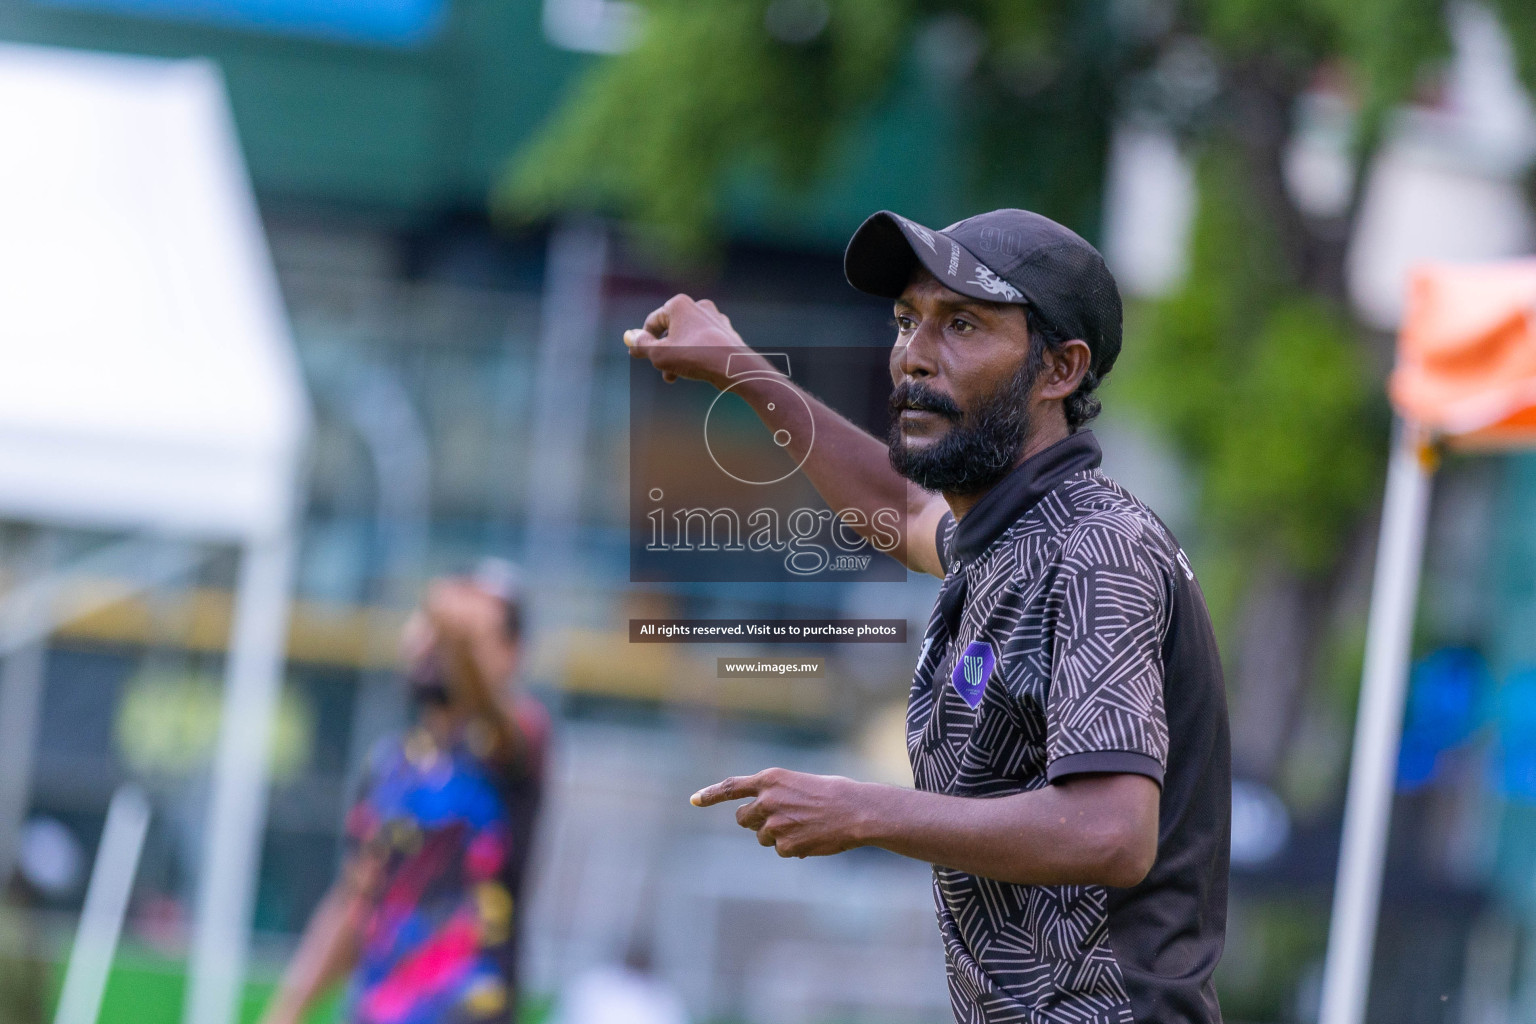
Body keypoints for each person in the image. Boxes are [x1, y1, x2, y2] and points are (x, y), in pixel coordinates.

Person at [624, 209, 1230, 1024]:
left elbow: (1112, 832)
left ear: (1059, 369)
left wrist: (861, 809)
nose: (914, 353)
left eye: (963, 324)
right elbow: (898, 507)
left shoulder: (1098, 552)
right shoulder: (1009, 539)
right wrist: (742, 369)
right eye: (908, 320)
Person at [260, 560, 549, 1024]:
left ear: (512, 654)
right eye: (435, 627)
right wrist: (286, 1012)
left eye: (473, 631)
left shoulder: (519, 744)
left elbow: (493, 713)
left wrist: (457, 644)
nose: (443, 642)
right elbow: (354, 900)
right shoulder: (389, 766)